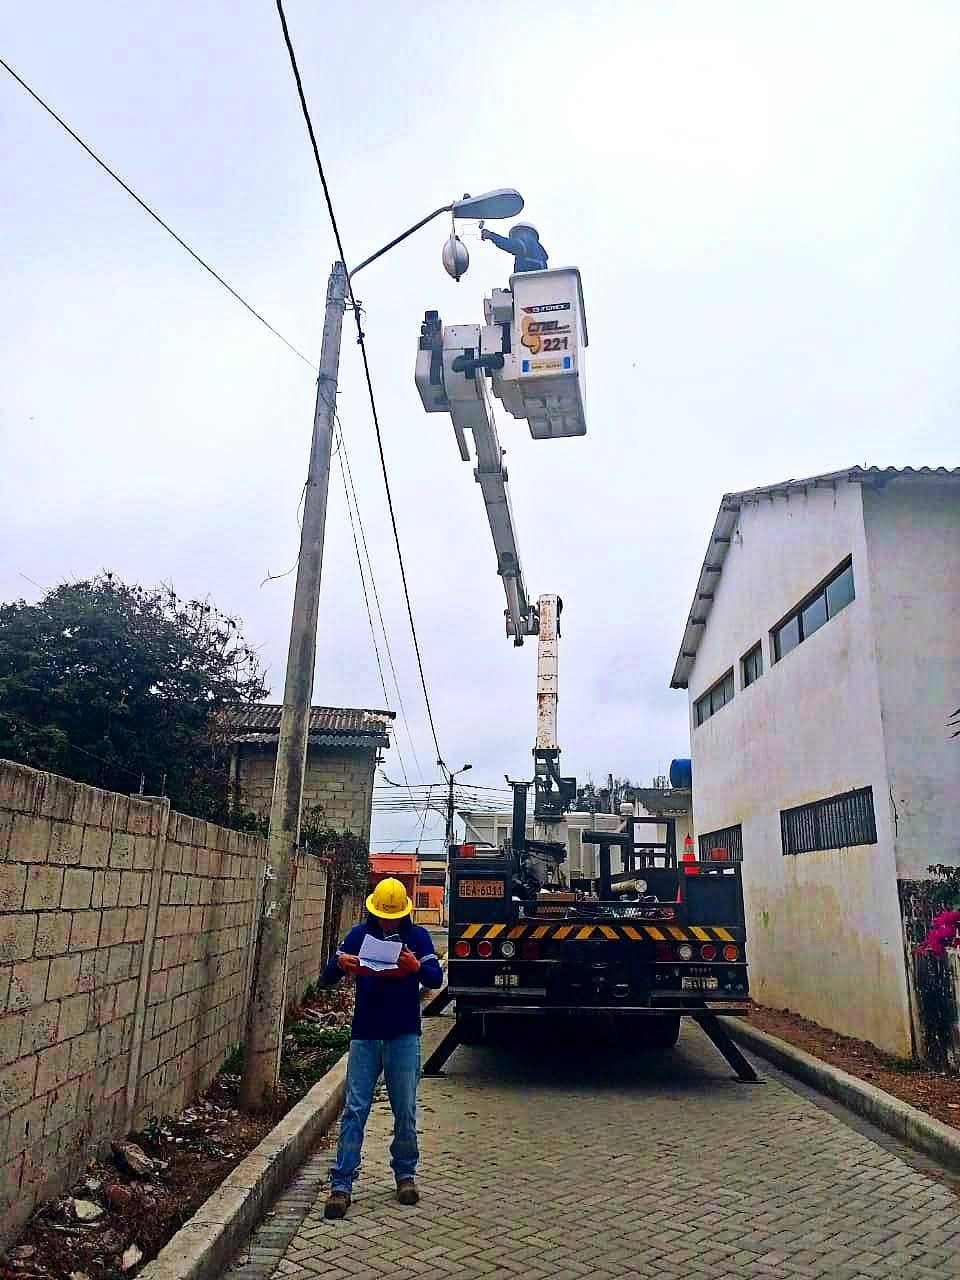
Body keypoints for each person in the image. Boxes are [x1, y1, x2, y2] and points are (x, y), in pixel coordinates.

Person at [320, 876, 443, 1219]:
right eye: (383, 917)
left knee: (404, 1109)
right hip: (365, 1034)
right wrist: (340, 964)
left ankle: (405, 1175)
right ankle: (342, 1185)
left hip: (403, 1034)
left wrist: (415, 967)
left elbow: (435, 978)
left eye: (393, 918)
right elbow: (327, 977)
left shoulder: (417, 937)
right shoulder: (359, 935)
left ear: (403, 913)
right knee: (354, 1110)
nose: (388, 923)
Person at [481, 222, 549, 273]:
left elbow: (510, 245)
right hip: (541, 280)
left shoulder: (526, 240)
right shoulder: (540, 249)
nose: (515, 237)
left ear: (521, 231)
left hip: (527, 278)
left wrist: (491, 235)